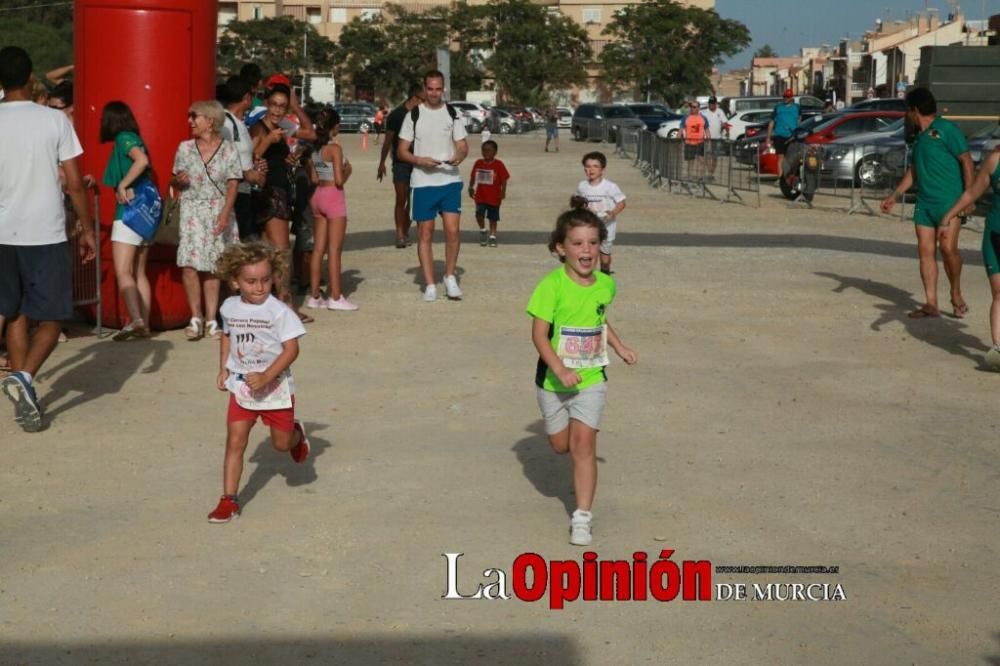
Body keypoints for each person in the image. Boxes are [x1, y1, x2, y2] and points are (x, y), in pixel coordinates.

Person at [526, 207, 637, 546]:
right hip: (552, 381)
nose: (586, 251)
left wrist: (618, 346)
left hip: (591, 378)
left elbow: (599, 320)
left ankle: (582, 516)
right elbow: (539, 336)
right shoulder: (551, 287)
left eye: (592, 242)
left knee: (584, 445)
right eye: (577, 243)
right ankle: (565, 440)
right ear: (561, 248)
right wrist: (559, 369)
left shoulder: (605, 285)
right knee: (561, 445)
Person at [0, 46, 95, 432]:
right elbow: (73, 182)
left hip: (4, 232)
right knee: (54, 316)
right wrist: (87, 228)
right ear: (31, 77)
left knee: (17, 313)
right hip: (46, 231)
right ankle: (23, 379)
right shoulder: (54, 121)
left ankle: (24, 387)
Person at [209, 241, 310, 523]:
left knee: (281, 444)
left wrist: (267, 375)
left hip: (275, 388)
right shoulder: (229, 307)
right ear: (234, 281)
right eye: (251, 281)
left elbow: (292, 350)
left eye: (266, 280)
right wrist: (224, 369)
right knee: (235, 441)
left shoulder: (279, 312)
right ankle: (228, 500)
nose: (260, 287)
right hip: (242, 387)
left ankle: (296, 435)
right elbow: (227, 335)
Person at [880, 87, 973, 319]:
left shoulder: (947, 129)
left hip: (949, 201)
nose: (907, 115)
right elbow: (914, 171)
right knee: (925, 252)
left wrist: (969, 197)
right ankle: (931, 303)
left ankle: (955, 292)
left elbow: (967, 161)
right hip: (925, 203)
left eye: (908, 110)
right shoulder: (919, 138)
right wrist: (894, 196)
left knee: (948, 249)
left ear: (914, 110)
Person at [171, 100, 243, 340]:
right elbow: (173, 182)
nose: (190, 121)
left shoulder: (229, 150)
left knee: (213, 266)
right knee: (189, 265)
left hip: (218, 209)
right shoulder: (184, 148)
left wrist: (224, 213)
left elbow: (233, 184)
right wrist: (177, 182)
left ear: (210, 121)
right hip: (192, 209)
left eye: (195, 116)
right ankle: (195, 317)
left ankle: (212, 319)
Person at [397, 70, 469, 302]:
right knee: (425, 233)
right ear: (424, 89)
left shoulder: (452, 113)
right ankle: (429, 284)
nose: (435, 93)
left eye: (438, 89)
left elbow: (462, 145)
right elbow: (401, 150)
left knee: (452, 231)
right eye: (430, 89)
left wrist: (459, 155)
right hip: (422, 182)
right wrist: (420, 160)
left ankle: (449, 276)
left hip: (449, 180)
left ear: (443, 89)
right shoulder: (414, 115)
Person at [250, 80, 316, 318]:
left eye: (283, 107)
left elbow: (311, 133)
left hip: (278, 191)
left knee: (270, 252)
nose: (278, 110)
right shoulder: (259, 128)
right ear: (266, 104)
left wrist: (289, 158)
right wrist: (269, 141)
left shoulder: (281, 127)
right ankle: (287, 307)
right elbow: (249, 156)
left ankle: (272, 305)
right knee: (281, 252)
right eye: (274, 105)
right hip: (271, 194)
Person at [100, 101, 154, 341]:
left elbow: (141, 160)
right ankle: (144, 322)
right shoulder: (134, 136)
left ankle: (136, 319)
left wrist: (123, 184)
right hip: (145, 214)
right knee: (140, 272)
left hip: (128, 213)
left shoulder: (123, 138)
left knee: (123, 271)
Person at [942, 144, 1000, 365]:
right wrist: (949, 215)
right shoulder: (995, 160)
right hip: (995, 233)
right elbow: (973, 192)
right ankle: (998, 350)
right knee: (999, 294)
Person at [306, 109, 357, 311]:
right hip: (333, 196)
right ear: (334, 127)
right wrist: (348, 171)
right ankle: (336, 297)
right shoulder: (334, 149)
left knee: (318, 249)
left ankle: (315, 295)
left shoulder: (313, 149)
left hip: (317, 196)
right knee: (335, 250)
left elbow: (314, 179)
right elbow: (338, 180)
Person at [220, 75, 267, 241]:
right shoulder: (225, 124)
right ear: (247, 98)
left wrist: (256, 166)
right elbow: (219, 161)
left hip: (245, 194)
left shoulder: (239, 124)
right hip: (234, 196)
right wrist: (247, 174)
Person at [377, 86, 423, 249]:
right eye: (422, 100)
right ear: (414, 98)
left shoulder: (422, 115)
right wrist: (382, 163)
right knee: (401, 198)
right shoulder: (396, 115)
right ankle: (399, 234)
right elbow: (388, 141)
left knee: (413, 201)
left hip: (417, 162)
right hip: (400, 163)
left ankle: (404, 230)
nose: (424, 103)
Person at [574, 151, 626, 275]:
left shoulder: (610, 187)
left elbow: (622, 202)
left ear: (603, 169)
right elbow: (577, 201)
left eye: (595, 166)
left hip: (606, 227)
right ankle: (587, 279)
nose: (591, 170)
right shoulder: (582, 186)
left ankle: (605, 273)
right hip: (588, 228)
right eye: (587, 166)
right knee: (588, 256)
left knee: (605, 259)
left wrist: (613, 213)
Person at [468, 139, 510, 248]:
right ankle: (483, 230)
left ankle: (492, 236)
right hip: (480, 196)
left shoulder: (499, 165)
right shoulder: (478, 163)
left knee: (493, 217)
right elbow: (473, 176)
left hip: (494, 197)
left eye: (489, 150)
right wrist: (470, 187)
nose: (486, 153)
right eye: (484, 150)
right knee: (479, 215)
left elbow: (504, 179)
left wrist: (503, 192)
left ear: (495, 152)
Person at [766, 89, 800, 177]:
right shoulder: (778, 107)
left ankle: (791, 176)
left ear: (791, 97)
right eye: (784, 96)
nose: (786, 98)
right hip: (779, 135)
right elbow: (771, 122)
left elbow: (800, 120)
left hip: (792, 136)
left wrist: (798, 132)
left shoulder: (797, 107)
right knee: (780, 157)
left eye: (788, 97)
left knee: (792, 157)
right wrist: (768, 137)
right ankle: (781, 178)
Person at [681, 101, 710, 180]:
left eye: (694, 107)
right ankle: (690, 176)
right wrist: (678, 139)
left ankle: (699, 177)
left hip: (700, 142)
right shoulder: (685, 118)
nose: (692, 108)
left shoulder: (703, 118)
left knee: (701, 160)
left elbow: (707, 130)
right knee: (690, 161)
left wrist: (709, 141)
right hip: (689, 142)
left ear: (698, 108)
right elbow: (681, 130)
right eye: (691, 107)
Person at [703, 96, 728, 178]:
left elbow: (725, 123)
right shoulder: (704, 113)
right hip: (706, 138)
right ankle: (709, 170)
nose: (712, 105)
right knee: (706, 155)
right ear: (708, 104)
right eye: (710, 103)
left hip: (717, 138)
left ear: (716, 104)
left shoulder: (720, 111)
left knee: (714, 156)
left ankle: (712, 172)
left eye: (713, 103)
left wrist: (726, 129)